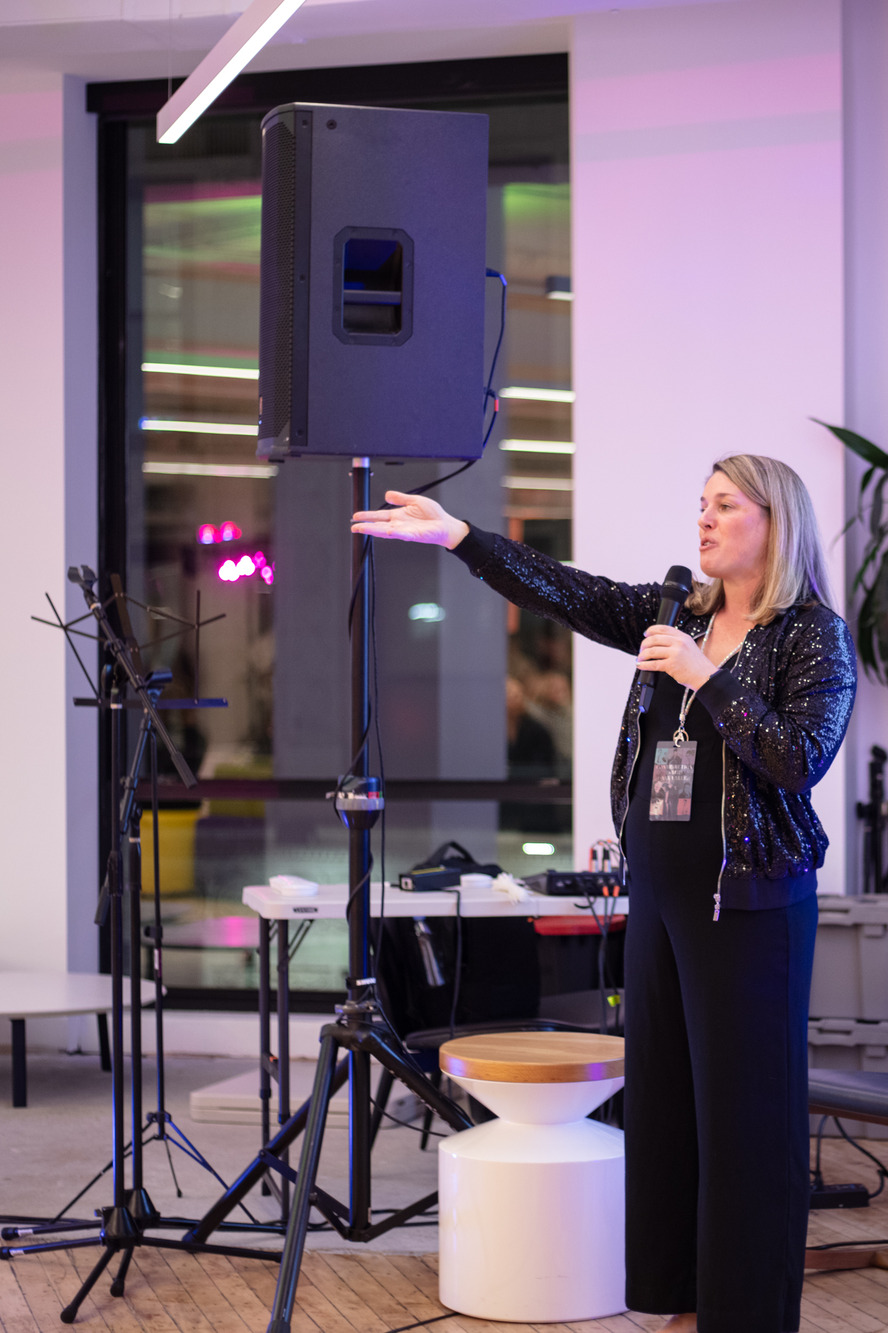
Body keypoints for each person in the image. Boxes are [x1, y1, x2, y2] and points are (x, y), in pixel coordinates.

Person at [353, 453, 855, 1333]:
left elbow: (796, 758)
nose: (703, 520)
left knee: (747, 1119)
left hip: (749, 905)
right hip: (660, 894)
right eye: (699, 504)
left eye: (725, 506)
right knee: (665, 1108)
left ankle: (748, 1316)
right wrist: (461, 538)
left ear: (774, 521)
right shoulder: (678, 610)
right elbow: (568, 591)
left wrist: (708, 674)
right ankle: (684, 1298)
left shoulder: (813, 634)